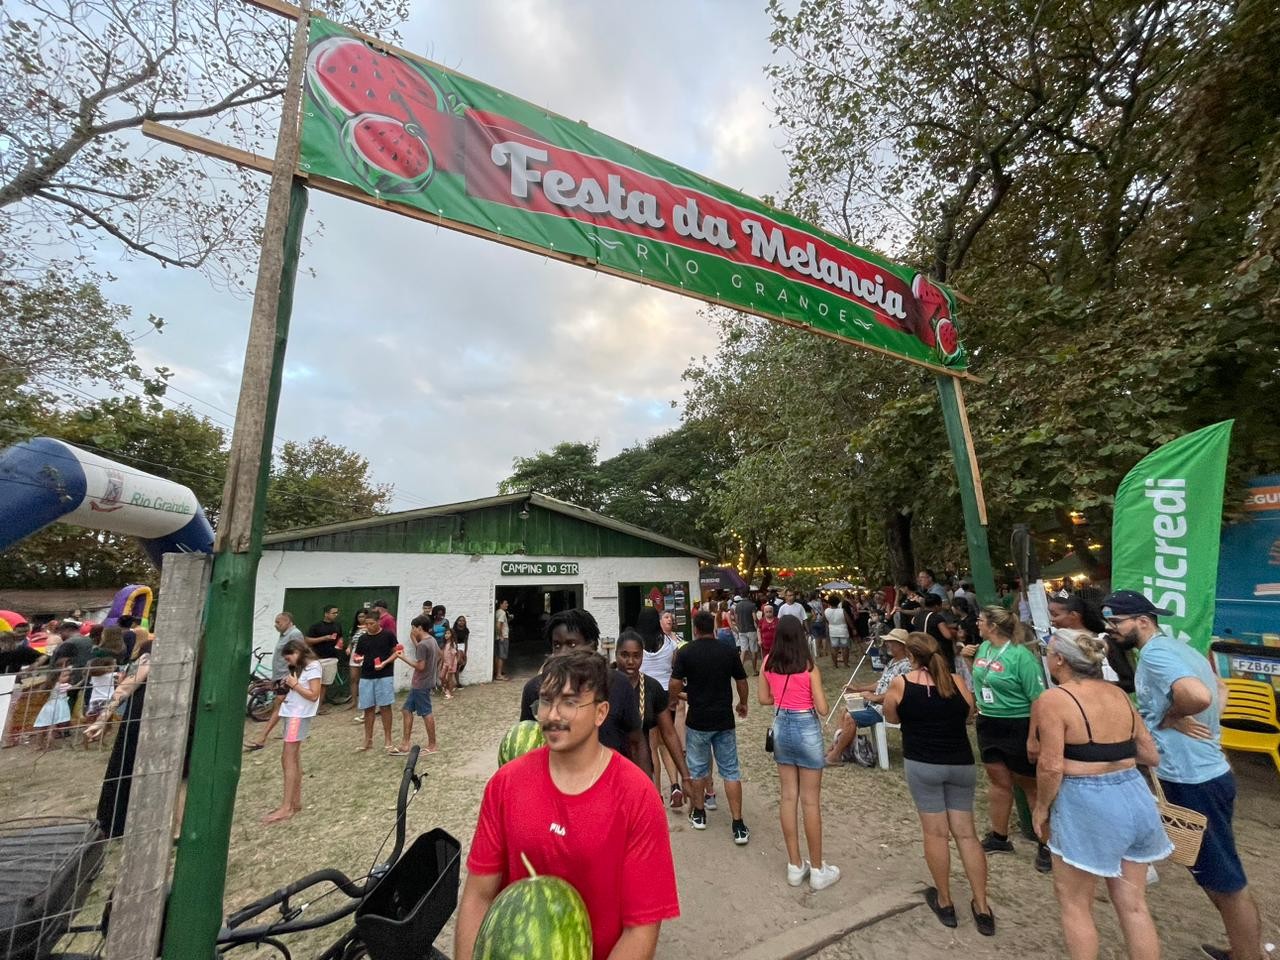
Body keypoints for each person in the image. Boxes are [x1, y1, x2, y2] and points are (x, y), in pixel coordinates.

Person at [455, 649, 679, 960]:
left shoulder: (637, 796)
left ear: (601, 713)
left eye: (570, 702)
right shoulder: (505, 784)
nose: (552, 714)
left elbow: (641, 927)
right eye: (546, 701)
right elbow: (478, 897)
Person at [1104, 590, 1263, 960]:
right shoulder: (1180, 648)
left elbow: (1199, 695)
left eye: (1116, 622)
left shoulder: (1157, 654)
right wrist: (1205, 730)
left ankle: (1250, 956)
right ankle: (1243, 949)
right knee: (1216, 871)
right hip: (1205, 772)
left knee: (1225, 878)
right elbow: (1219, 689)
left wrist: (1171, 717)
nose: (1110, 629)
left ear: (1142, 621)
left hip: (1194, 780)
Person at [1029, 627, 1167, 960]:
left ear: (1059, 659)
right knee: (1134, 906)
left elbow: (1050, 766)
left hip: (1086, 804)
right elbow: (1151, 755)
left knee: (1075, 905)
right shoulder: (1119, 695)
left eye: (1048, 654)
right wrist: (1108, 760)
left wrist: (1042, 808)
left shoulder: (1054, 699)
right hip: (1134, 796)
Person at [883, 632, 992, 934]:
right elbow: (969, 712)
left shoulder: (902, 683)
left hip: (923, 763)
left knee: (935, 834)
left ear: (911, 655)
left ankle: (945, 900)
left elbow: (891, 716)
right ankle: (982, 906)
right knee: (967, 835)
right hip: (960, 762)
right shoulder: (956, 681)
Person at [961, 606, 1052, 873]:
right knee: (999, 781)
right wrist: (969, 661)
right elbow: (983, 679)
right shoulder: (984, 649)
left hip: (1018, 723)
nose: (976, 624)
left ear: (993, 625)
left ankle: (1046, 844)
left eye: (979, 620)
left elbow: (1037, 698)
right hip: (989, 722)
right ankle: (1000, 837)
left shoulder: (1021, 656)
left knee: (1030, 786)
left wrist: (1033, 737)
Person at [759, 615, 840, 891]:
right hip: (806, 725)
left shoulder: (768, 664)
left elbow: (763, 698)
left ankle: (795, 864)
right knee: (810, 802)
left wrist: (780, 696)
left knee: (787, 796)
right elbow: (823, 708)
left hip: (781, 726)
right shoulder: (809, 668)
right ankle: (818, 868)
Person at [670, 610, 750, 845]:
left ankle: (699, 813)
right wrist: (742, 703)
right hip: (724, 719)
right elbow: (742, 680)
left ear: (695, 629)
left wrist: (673, 699)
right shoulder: (727, 650)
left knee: (697, 770)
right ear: (714, 627)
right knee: (731, 771)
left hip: (698, 720)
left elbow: (675, 682)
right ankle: (738, 824)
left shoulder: (687, 652)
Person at [518, 609, 641, 759]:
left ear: (593, 646)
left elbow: (636, 742)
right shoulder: (535, 689)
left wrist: (646, 781)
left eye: (572, 644)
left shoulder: (619, 684)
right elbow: (526, 743)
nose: (563, 653)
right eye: (557, 645)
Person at [614, 630, 694, 794]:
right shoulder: (603, 687)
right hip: (610, 773)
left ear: (642, 657)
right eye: (624, 655)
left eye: (636, 656)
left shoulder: (651, 688)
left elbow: (669, 733)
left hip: (642, 769)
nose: (630, 661)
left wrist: (685, 776)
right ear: (616, 655)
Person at [825, 628, 913, 765]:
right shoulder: (893, 662)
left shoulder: (906, 666)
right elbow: (880, 683)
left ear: (901, 645)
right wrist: (859, 688)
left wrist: (875, 698)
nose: (887, 644)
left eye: (890, 642)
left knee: (850, 717)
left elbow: (901, 693)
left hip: (887, 709)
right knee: (846, 709)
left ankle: (835, 754)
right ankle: (835, 748)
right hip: (877, 704)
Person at [264, 638, 323, 824]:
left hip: (297, 717)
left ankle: (286, 807)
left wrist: (294, 685)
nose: (288, 662)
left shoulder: (313, 667)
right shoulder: (304, 668)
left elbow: (314, 695)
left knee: (288, 758)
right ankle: (294, 802)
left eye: (289, 658)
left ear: (297, 652)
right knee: (291, 758)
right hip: (292, 714)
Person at [637, 608, 684, 806]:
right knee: (667, 743)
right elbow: (675, 666)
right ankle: (675, 785)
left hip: (646, 696)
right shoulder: (669, 642)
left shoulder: (637, 644)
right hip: (666, 696)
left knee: (651, 748)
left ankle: (656, 794)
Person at [245, 612, 304, 751]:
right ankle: (290, 732)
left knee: (279, 705)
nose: (276, 625)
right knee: (287, 705)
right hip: (279, 676)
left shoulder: (294, 634)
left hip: (287, 677)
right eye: (275, 622)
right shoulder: (284, 635)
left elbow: (299, 656)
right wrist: (274, 678)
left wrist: (291, 676)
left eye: (279, 622)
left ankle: (262, 738)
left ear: (288, 621)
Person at [1049, 594, 1133, 692]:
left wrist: (1101, 686)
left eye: (1055, 615)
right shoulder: (1057, 643)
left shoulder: (1104, 642)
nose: (1052, 619)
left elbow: (1130, 682)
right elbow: (1055, 679)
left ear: (1074, 615)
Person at [393, 615, 438, 756]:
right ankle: (405, 744)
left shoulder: (423, 645)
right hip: (424, 682)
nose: (412, 630)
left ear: (419, 627)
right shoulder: (432, 641)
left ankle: (432, 745)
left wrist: (403, 657)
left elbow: (420, 666)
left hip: (421, 683)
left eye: (413, 627)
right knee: (406, 710)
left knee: (426, 712)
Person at [356, 612, 399, 752]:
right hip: (366, 675)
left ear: (378, 622)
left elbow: (396, 652)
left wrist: (385, 662)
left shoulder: (388, 635)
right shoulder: (362, 638)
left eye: (371, 624)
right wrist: (357, 658)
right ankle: (367, 740)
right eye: (366, 624)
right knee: (368, 708)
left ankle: (388, 740)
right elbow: (359, 654)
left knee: (385, 707)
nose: (368, 627)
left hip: (384, 675)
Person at [305, 604, 344, 708]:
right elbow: (307, 640)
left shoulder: (337, 625)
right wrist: (323, 638)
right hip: (318, 659)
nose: (336, 615)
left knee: (325, 685)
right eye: (333, 613)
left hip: (332, 658)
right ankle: (310, 706)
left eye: (337, 613)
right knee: (314, 683)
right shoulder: (316, 626)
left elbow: (340, 638)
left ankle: (318, 707)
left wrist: (340, 645)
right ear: (326, 614)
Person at [33, 659, 74, 750]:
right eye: (65, 676)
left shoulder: (50, 685)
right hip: (58, 706)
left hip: (48, 706)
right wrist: (83, 679)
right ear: (57, 677)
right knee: (52, 727)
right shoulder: (62, 686)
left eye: (68, 675)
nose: (67, 677)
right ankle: (49, 745)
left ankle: (38, 744)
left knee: (42, 726)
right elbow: (75, 687)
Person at [916, 593, 957, 671]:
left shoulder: (919, 616)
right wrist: (955, 633)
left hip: (925, 648)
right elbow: (948, 635)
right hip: (941, 650)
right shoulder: (937, 617)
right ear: (937, 606)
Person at [347, 609, 369, 715]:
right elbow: (351, 641)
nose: (361, 619)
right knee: (353, 678)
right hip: (355, 653)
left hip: (365, 653)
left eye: (363, 616)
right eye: (359, 617)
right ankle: (353, 701)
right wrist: (349, 647)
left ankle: (364, 701)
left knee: (364, 678)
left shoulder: (370, 628)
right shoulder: (354, 629)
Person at [733, 593, 760, 676]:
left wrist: (739, 627)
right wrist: (758, 624)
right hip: (751, 629)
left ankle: (741, 671)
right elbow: (755, 618)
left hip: (742, 630)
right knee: (753, 650)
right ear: (749, 595)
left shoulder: (738, 606)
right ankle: (754, 670)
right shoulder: (752, 605)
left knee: (743, 650)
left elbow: (736, 619)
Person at [823, 594, 851, 668]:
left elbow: (825, 620)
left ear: (829, 603)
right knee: (845, 648)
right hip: (843, 630)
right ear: (838, 602)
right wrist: (853, 628)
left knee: (834, 648)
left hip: (832, 631)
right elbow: (848, 620)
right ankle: (846, 664)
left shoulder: (826, 611)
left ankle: (835, 665)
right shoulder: (842, 611)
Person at [494, 598, 511, 681]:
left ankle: (497, 672)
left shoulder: (497, 612)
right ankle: (499, 674)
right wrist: (501, 635)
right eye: (505, 603)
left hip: (497, 637)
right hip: (503, 637)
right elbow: (498, 624)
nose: (507, 605)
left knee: (497, 655)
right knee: (502, 656)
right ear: (501, 604)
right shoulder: (502, 613)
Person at [439, 627, 459, 699]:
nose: (446, 635)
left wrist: (450, 665)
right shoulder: (445, 644)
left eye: (448, 633)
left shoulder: (452, 644)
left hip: (451, 663)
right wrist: (442, 663)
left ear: (452, 635)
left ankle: (450, 693)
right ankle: (447, 689)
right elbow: (444, 654)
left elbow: (453, 655)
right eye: (445, 633)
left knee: (449, 678)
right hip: (445, 663)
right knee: (441, 676)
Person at [452, 615, 470, 685]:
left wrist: (465, 652)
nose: (461, 622)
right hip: (456, 645)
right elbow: (454, 641)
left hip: (462, 645)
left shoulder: (466, 630)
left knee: (464, 662)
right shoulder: (454, 630)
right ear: (457, 621)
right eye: (460, 620)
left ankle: (457, 671)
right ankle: (458, 682)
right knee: (458, 662)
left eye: (463, 621)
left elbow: (466, 641)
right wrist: (456, 649)